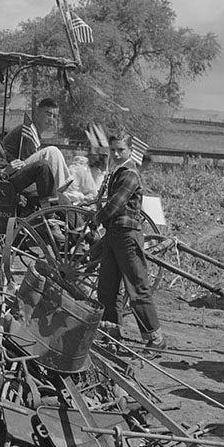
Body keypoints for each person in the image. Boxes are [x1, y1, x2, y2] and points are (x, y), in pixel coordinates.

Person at [94, 134, 165, 350]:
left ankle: (156, 339)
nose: (116, 154)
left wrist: (95, 220)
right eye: (113, 150)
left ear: (129, 151)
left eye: (121, 150)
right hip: (113, 234)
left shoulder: (130, 173)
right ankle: (111, 334)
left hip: (127, 235)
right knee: (107, 287)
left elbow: (115, 204)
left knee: (136, 287)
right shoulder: (116, 172)